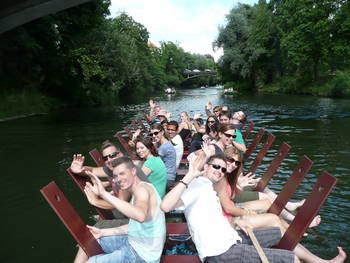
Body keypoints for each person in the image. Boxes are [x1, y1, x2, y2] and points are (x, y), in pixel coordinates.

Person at [160, 154, 347, 263]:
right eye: (216, 166)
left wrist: (237, 223)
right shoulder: (195, 186)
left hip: (233, 239)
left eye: (223, 169)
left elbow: (216, 217)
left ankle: (321, 262)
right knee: (290, 259)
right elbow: (165, 206)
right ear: (206, 167)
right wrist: (189, 175)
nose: (220, 171)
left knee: (278, 232)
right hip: (221, 253)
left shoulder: (208, 186)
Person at [74, 157, 166, 263]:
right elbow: (134, 226)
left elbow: (140, 216)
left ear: (133, 171)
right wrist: (102, 232)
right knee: (87, 243)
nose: (118, 179)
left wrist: (104, 194)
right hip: (133, 241)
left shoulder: (142, 190)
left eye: (122, 173)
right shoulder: (138, 190)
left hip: (143, 255)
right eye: (116, 176)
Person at [150, 123, 177, 188]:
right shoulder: (165, 143)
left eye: (156, 133)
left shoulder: (164, 147)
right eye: (151, 134)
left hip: (167, 179)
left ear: (162, 132)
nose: (153, 136)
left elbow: (154, 164)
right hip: (169, 177)